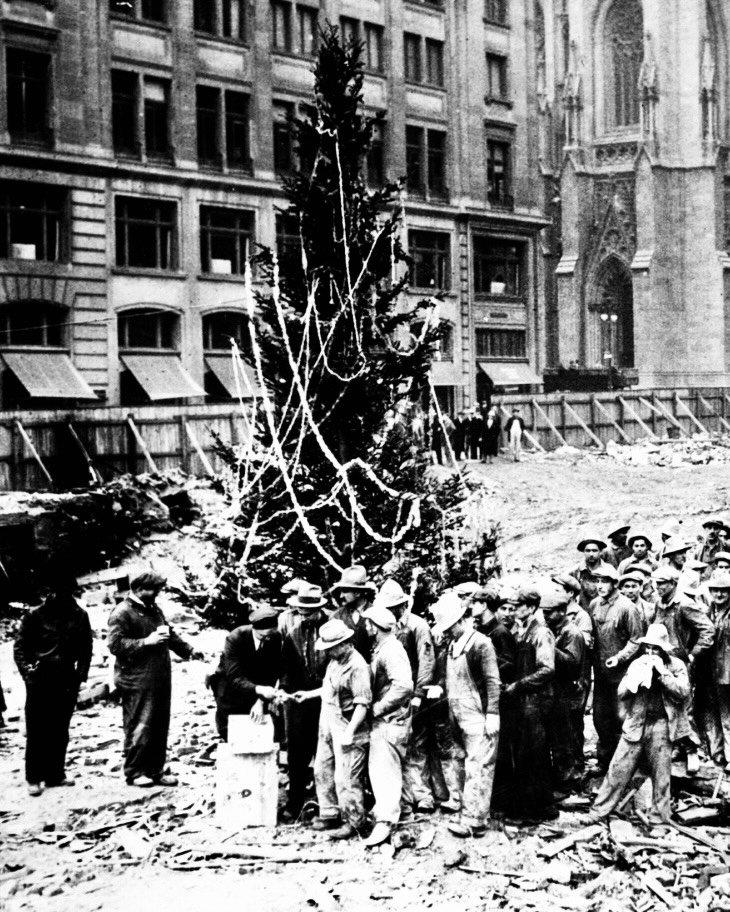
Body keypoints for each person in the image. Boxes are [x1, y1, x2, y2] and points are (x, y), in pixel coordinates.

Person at [107, 570, 202, 787]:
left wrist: (189, 650)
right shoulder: (122, 613)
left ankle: (155, 770)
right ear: (138, 589)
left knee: (159, 724)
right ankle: (135, 771)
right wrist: (145, 642)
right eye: (153, 590)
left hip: (159, 677)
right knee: (140, 724)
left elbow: (169, 634)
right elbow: (115, 645)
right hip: (136, 679)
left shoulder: (153, 609)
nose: (156, 593)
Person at [591, 624, 690, 824]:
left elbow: (683, 692)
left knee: (661, 776)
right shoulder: (637, 664)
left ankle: (658, 820)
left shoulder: (676, 665)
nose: (651, 652)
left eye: (656, 648)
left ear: (664, 649)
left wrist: (663, 675)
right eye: (648, 648)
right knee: (618, 768)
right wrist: (635, 680)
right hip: (636, 722)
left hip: (661, 724)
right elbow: (621, 693)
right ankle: (599, 811)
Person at [14, 571, 93, 796]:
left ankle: (55, 774)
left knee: (60, 729)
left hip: (66, 679)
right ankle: (34, 777)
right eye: (61, 592)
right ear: (52, 592)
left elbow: (86, 648)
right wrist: (28, 674)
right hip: (40, 679)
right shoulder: (34, 616)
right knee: (38, 729)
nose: (65, 596)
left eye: (69, 592)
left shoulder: (79, 615)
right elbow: (20, 648)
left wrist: (81, 678)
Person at [431, 591, 500, 838]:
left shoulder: (481, 644)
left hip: (479, 716)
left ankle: (475, 821)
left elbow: (493, 681)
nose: (447, 633)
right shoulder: (452, 646)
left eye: (450, 628)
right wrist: (440, 686)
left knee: (479, 767)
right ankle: (469, 809)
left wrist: (493, 712)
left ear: (462, 620)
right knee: (464, 764)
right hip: (459, 715)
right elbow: (450, 678)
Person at [306, 619, 372, 839]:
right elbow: (328, 689)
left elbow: (362, 703)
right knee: (321, 768)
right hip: (328, 720)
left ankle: (354, 822)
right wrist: (307, 695)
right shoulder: (335, 662)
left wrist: (350, 732)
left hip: (348, 724)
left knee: (346, 778)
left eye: (333, 647)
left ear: (345, 643)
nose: (330, 652)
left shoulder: (357, 666)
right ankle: (329, 812)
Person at [376, 579, 437, 813]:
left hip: (413, 695)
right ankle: (403, 799)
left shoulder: (417, 626)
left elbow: (426, 662)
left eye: (393, 608)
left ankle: (422, 795)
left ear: (402, 606)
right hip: (394, 697)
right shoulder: (385, 627)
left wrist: (419, 693)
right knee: (397, 746)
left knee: (418, 745)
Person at [647, 565, 714, 774]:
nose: (657, 587)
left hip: (681, 663)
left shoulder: (684, 604)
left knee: (686, 707)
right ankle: (679, 745)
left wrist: (693, 654)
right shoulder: (660, 603)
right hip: (664, 660)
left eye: (662, 583)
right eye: (655, 583)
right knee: (668, 707)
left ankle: (693, 750)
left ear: (673, 583)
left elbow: (707, 630)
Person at [502, 586, 557, 822]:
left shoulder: (541, 633)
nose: (513, 611)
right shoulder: (521, 630)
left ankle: (540, 810)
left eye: (518, 607)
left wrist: (519, 685)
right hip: (524, 702)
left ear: (532, 608)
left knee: (536, 755)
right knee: (524, 754)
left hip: (537, 701)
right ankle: (526, 807)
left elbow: (547, 669)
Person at [362, 602, 414, 847]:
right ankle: (397, 812)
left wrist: (378, 708)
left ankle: (385, 822)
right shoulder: (383, 648)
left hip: (390, 721)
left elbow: (404, 686)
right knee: (387, 769)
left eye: (368, 623)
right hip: (389, 720)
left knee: (384, 771)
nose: (365, 627)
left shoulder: (391, 650)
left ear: (375, 627)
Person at [280, 584, 328, 822]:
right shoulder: (294, 633)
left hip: (328, 698)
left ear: (319, 609)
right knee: (296, 752)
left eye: (309, 612)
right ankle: (295, 800)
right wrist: (288, 693)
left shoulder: (333, 628)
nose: (304, 617)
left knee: (326, 752)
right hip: (300, 699)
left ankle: (326, 803)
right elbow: (287, 668)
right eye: (301, 612)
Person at [589, 564, 643, 772]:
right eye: (597, 581)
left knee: (623, 717)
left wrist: (620, 658)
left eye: (605, 582)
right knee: (601, 718)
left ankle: (627, 766)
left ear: (615, 584)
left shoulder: (627, 607)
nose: (600, 586)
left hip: (622, 674)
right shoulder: (594, 605)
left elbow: (636, 640)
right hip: (601, 673)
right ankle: (605, 761)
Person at [470, 585, 517, 813]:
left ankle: (504, 803)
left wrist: (487, 663)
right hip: (486, 696)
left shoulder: (499, 632)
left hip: (500, 699)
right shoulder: (483, 629)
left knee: (502, 752)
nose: (471, 607)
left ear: (484, 605)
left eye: (474, 603)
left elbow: (510, 664)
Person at [208, 606, 283, 740]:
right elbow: (235, 677)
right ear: (254, 629)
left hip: (257, 682)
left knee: (257, 725)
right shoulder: (235, 638)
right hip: (229, 686)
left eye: (270, 635)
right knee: (229, 729)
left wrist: (260, 701)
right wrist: (260, 689)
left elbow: (271, 672)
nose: (267, 639)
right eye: (262, 636)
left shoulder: (275, 638)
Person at [543, 589, 588, 793]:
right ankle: (563, 776)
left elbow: (572, 663)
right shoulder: (553, 629)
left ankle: (572, 779)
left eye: (549, 612)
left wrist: (550, 648)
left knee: (568, 736)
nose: (545, 616)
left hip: (569, 691)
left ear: (562, 611)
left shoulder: (572, 633)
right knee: (559, 736)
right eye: (544, 612)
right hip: (558, 690)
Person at [700, 571, 730, 768]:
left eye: (724, 591)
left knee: (727, 716)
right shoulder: (709, 611)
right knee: (711, 713)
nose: (719, 595)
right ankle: (717, 753)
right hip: (710, 670)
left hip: (727, 671)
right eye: (715, 591)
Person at [329, 565, 377, 660]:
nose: (341, 595)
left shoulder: (376, 614)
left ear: (357, 593)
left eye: (345, 591)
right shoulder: (336, 617)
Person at [551, 572, 594, 649]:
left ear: (570, 593)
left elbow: (585, 644)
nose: (554, 594)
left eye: (558, 591)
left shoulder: (581, 616)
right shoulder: (554, 612)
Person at [570, 535, 608, 611]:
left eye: (594, 550)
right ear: (583, 551)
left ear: (600, 551)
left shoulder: (609, 570)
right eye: (588, 551)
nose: (591, 554)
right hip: (584, 612)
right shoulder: (576, 571)